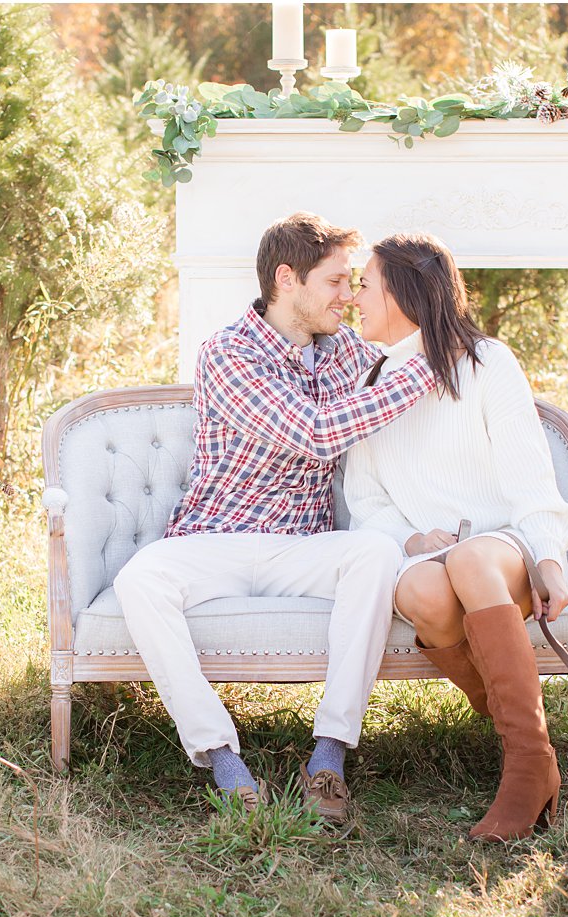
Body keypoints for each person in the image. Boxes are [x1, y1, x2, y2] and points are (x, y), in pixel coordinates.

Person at [114, 212, 438, 818]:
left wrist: (448, 344)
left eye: (352, 284)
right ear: (287, 279)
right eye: (336, 282)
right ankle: (221, 757)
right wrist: (422, 373)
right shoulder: (228, 354)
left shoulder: (346, 353)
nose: (349, 296)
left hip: (302, 548)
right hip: (216, 541)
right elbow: (314, 434)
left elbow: (416, 358)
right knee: (140, 577)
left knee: (373, 552)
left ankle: (330, 754)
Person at [343, 232, 568, 842]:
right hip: (434, 552)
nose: (356, 299)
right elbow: (366, 498)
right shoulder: (369, 386)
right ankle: (522, 739)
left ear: (403, 291)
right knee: (421, 591)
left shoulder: (487, 363)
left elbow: (530, 472)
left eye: (366, 285)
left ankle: (528, 767)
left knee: (472, 560)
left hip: (503, 547)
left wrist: (550, 556)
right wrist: (410, 537)